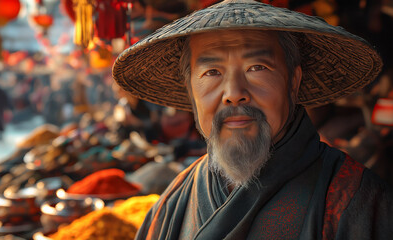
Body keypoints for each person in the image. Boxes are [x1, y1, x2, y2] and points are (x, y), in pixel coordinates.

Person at [113, 0, 393, 239]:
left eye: (256, 68)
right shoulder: (175, 201)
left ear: (293, 82)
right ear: (190, 90)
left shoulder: (357, 199)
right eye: (211, 72)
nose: (234, 94)